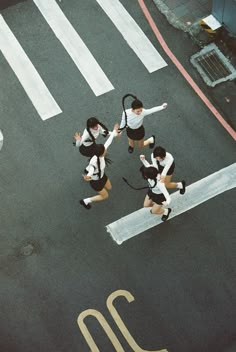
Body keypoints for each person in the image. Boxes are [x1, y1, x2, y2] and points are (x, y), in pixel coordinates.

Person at [80, 123, 119, 210]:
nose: (106, 149)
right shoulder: (94, 163)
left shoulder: (100, 154)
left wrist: (114, 132)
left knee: (109, 187)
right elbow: (91, 170)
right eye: (104, 150)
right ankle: (85, 201)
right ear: (102, 153)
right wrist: (88, 176)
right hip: (96, 182)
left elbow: (108, 142)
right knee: (105, 196)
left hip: (102, 176)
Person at [140, 155, 171, 221]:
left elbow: (167, 195)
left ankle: (166, 211)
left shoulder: (160, 183)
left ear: (149, 176)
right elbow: (147, 166)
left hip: (159, 196)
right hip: (151, 192)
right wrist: (143, 160)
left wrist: (167, 202)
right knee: (146, 205)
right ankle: (156, 206)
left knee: (153, 211)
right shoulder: (152, 171)